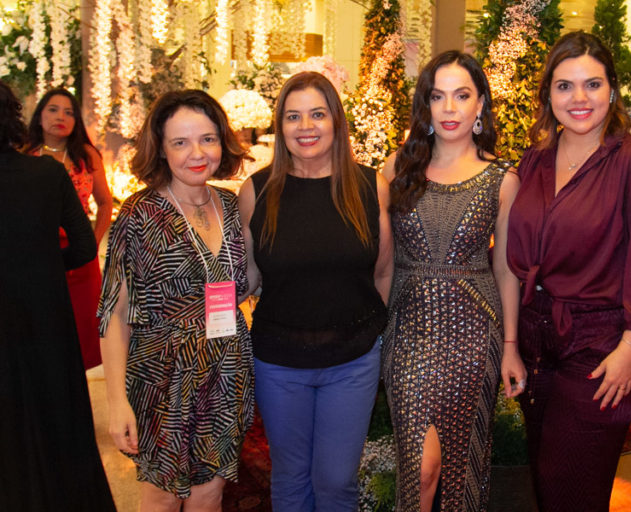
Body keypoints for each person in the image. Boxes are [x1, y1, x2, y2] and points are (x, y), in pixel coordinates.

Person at [505, 31, 631, 511]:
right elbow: (514, 252)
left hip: (602, 342)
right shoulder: (536, 160)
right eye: (565, 86)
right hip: (536, 341)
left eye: (593, 84)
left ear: (613, 90)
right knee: (546, 481)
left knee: (571, 487)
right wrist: (512, 344)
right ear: (548, 94)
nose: (579, 98)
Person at [238, 71, 393, 511]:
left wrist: (369, 333)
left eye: (317, 114)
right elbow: (247, 279)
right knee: (290, 478)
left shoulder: (368, 186)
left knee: (335, 481)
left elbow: (383, 274)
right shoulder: (257, 189)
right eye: (293, 116)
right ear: (280, 125)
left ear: (336, 122)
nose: (305, 126)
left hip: (352, 362)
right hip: (279, 362)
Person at [382, 51, 527, 511]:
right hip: (407, 330)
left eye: (461, 96)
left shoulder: (502, 179)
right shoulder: (395, 170)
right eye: (437, 96)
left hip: (473, 334)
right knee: (420, 469)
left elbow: (505, 269)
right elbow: (381, 262)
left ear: (480, 104)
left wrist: (509, 346)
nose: (449, 109)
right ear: (424, 106)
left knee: (464, 463)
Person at [98, 90, 254, 511]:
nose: (197, 153)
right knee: (162, 499)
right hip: (162, 376)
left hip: (226, 372)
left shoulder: (231, 204)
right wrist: (116, 402)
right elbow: (113, 314)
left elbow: (251, 281)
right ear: (162, 150)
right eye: (180, 142)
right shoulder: (139, 213)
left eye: (207, 139)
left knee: (210, 496)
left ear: (222, 141)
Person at [0, 80, 116, 511]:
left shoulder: (75, 160)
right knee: (55, 415)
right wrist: (45, 269)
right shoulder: (46, 173)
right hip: (44, 313)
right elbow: (84, 247)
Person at [27, 88, 113, 370]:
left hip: (80, 254)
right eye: (53, 109)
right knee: (41, 330)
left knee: (82, 331)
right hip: (36, 256)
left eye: (69, 112)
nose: (60, 117)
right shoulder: (25, 154)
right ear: (39, 116)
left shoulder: (86, 155)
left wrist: (93, 241)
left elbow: (104, 202)